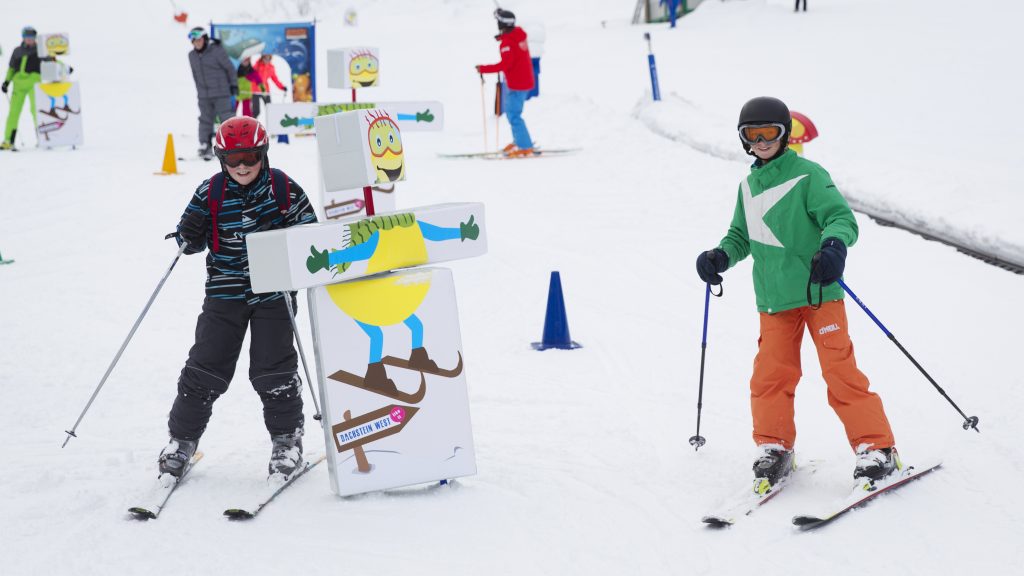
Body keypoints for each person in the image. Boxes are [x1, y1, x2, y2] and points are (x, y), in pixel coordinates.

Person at [695, 96, 898, 492]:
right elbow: (741, 236)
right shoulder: (748, 186)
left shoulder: (808, 174)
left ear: (785, 134)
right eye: (751, 135)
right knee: (770, 375)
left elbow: (840, 217)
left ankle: (878, 449)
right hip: (774, 300)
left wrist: (835, 247)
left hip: (819, 292)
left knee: (840, 372)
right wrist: (720, 256)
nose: (761, 141)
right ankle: (775, 447)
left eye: (769, 133)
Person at [159, 116, 318, 481]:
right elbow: (193, 237)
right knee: (205, 367)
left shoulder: (283, 189)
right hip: (224, 292)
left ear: (262, 153)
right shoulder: (210, 191)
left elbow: (310, 234)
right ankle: (181, 441)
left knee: (273, 368)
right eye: (233, 159)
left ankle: (286, 442)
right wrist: (188, 235)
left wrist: (298, 247)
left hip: (274, 293)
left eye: (249, 156)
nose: (242, 166)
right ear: (221, 159)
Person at [476, 8, 536, 158]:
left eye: (498, 21)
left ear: (502, 24)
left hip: (516, 84)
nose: (497, 24)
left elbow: (506, 64)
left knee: (513, 115)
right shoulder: (518, 35)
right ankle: (520, 139)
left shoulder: (507, 43)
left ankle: (525, 145)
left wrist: (484, 69)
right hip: (523, 81)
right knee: (514, 113)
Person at [187, 27, 237, 160]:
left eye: (199, 40)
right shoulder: (191, 56)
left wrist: (233, 85)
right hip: (204, 95)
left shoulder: (216, 51)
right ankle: (205, 144)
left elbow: (230, 68)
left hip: (221, 92)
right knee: (205, 119)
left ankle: (231, 145)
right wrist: (200, 91)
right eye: (194, 41)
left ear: (205, 39)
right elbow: (195, 75)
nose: (197, 43)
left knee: (226, 118)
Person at [2, 26, 54, 151]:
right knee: (14, 112)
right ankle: (8, 140)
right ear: (23, 38)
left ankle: (41, 138)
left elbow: (52, 62)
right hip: (18, 85)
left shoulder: (40, 50)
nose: (29, 40)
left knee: (36, 110)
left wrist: (63, 68)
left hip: (34, 84)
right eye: (27, 38)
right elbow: (12, 69)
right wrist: (6, 82)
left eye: (31, 38)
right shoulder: (17, 51)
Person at [251, 52, 287, 119]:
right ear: (262, 58)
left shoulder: (271, 67)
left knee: (269, 109)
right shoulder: (257, 65)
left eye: (269, 59)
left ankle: (272, 123)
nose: (267, 60)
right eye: (265, 58)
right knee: (256, 111)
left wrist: (282, 87)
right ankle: (253, 123)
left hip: (265, 90)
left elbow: (275, 79)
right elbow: (252, 75)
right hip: (255, 90)